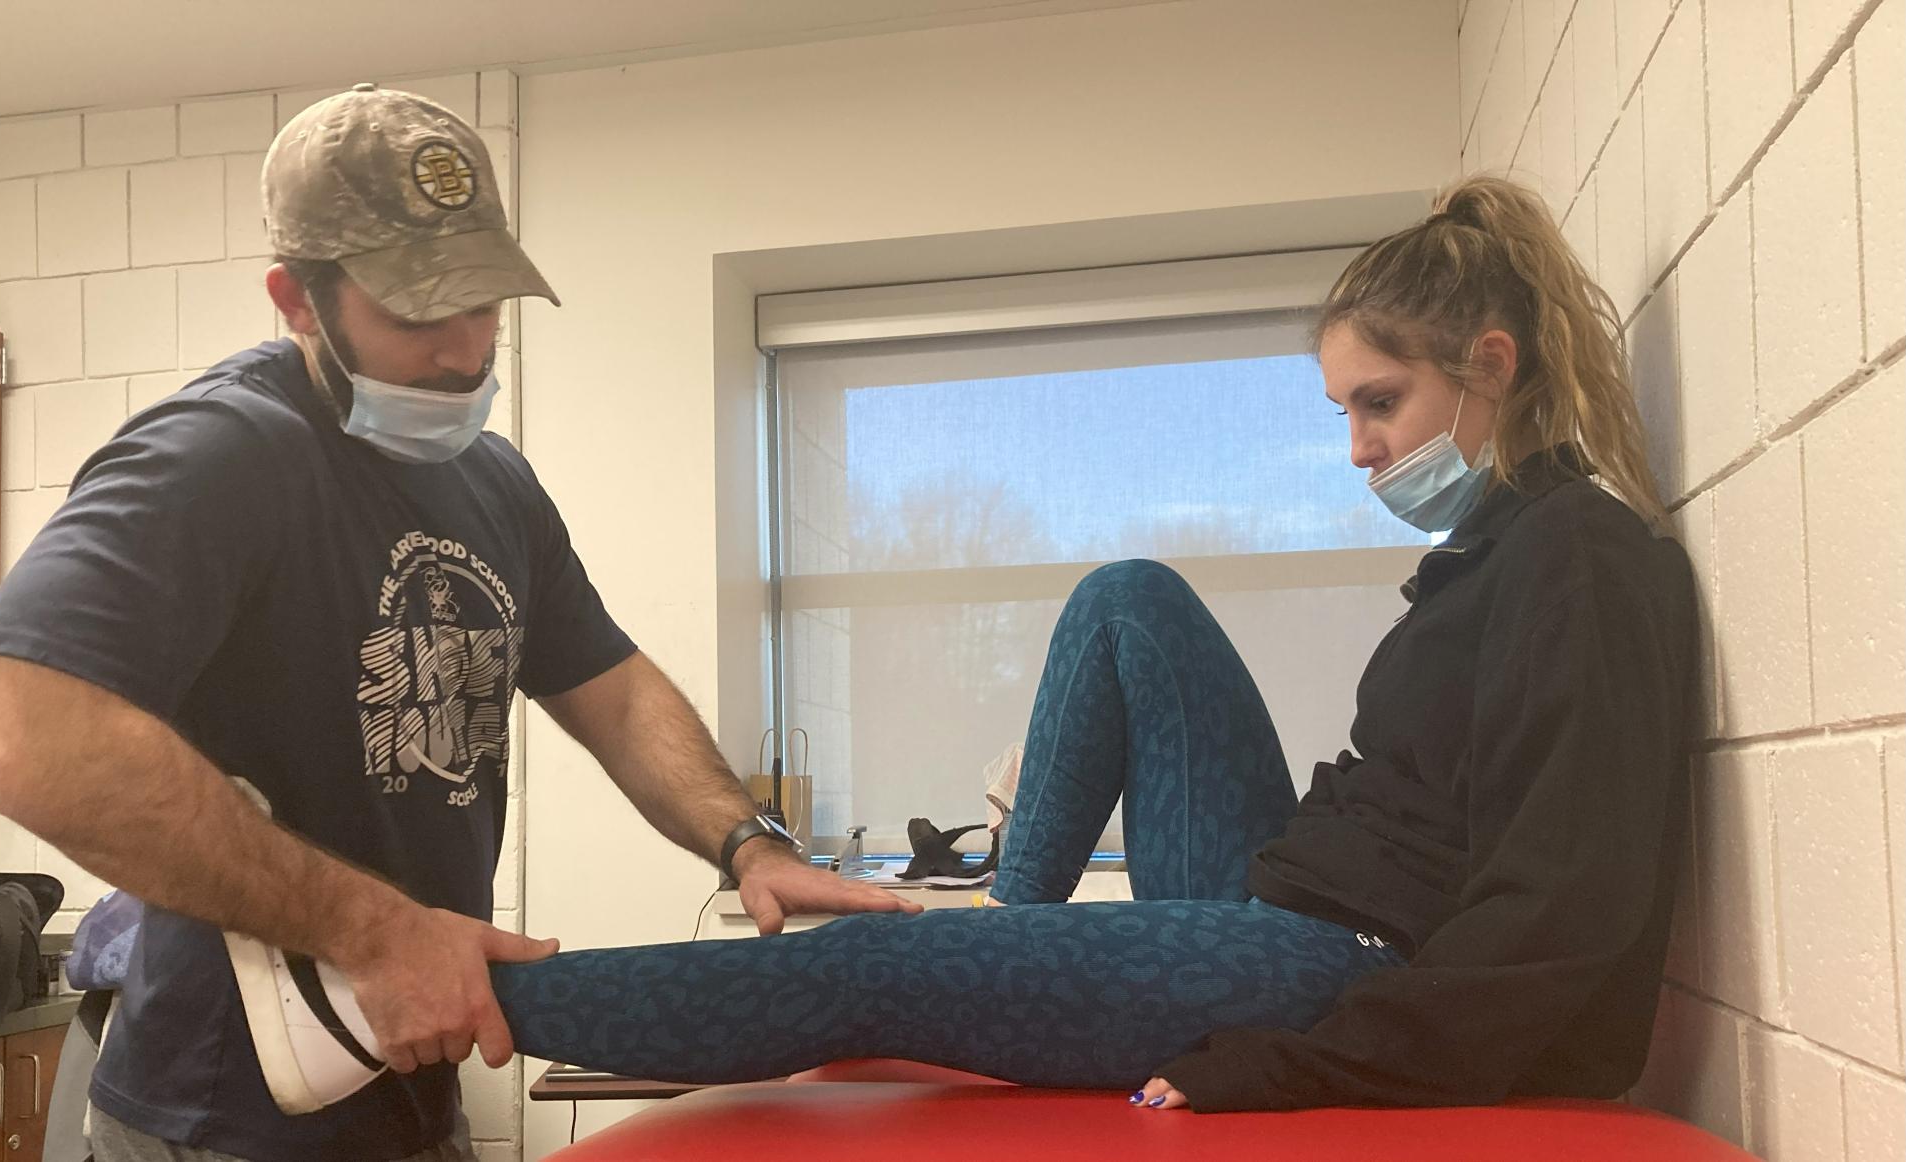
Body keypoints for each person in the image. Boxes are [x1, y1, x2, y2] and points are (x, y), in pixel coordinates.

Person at [477, 174, 1700, 1114]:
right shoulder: (1497, 551)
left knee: (868, 970)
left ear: (1492, 366)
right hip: (1296, 902)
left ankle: (459, 991)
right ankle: (1012, 921)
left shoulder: (1580, 557)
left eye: (1381, 404)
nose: (1360, 449)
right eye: (1346, 412)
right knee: (1128, 598)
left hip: (1351, 965)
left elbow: (1564, 907)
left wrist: (1298, 1063)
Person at [0, 84, 913, 1162]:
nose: (466, 351)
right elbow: (22, 738)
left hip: (408, 1088)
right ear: (298, 299)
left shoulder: (492, 481)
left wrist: (744, 841)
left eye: (485, 303)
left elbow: (615, 687)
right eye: (419, 312)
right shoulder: (221, 451)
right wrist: (378, 931)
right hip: (220, 1114)